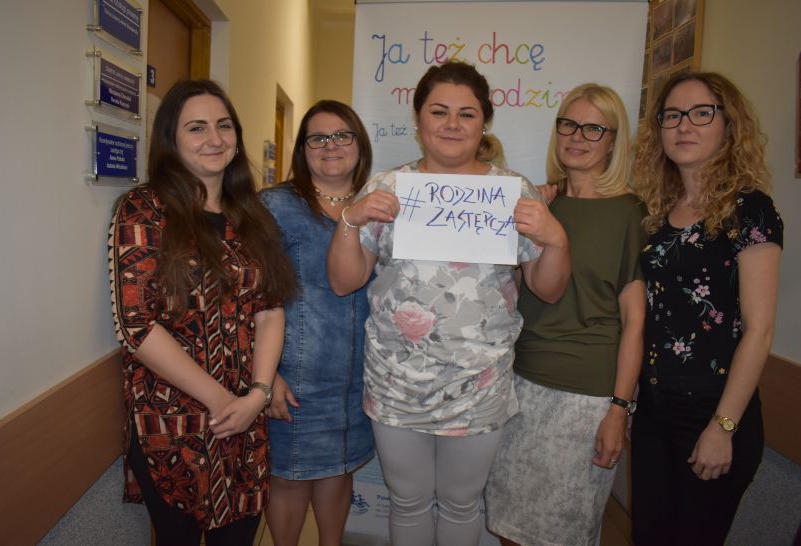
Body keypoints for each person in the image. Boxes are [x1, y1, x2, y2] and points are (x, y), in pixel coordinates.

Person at [327, 61, 571, 546]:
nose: (452, 124)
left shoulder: (513, 193)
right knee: (407, 500)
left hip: (479, 383)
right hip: (397, 381)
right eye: (439, 112)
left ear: (485, 123)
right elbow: (343, 281)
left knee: (463, 502)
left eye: (467, 113)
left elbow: (548, 289)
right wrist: (350, 221)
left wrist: (557, 239)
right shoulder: (386, 189)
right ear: (418, 119)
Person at [108, 79, 295, 546]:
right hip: (173, 423)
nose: (214, 138)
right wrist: (222, 401)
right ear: (171, 139)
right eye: (196, 128)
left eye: (224, 125)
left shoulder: (251, 215)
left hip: (246, 418)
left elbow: (270, 309)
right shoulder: (144, 210)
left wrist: (257, 393)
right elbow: (137, 326)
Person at [484, 83, 647, 546]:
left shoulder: (630, 213)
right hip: (519, 384)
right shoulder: (537, 203)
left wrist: (619, 409)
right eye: (569, 124)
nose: (577, 136)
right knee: (508, 525)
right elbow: (515, 292)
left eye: (594, 128)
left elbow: (635, 322)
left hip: (584, 398)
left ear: (613, 141)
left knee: (563, 533)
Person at [631, 71, 783, 545]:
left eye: (701, 113)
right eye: (672, 115)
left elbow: (759, 330)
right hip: (654, 412)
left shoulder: (750, 209)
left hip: (715, 413)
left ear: (728, 124)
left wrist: (723, 427)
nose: (684, 125)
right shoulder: (656, 213)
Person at [260, 100, 375, 546]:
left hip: (358, 380)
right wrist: (266, 375)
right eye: (318, 138)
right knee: (289, 479)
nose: (331, 145)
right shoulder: (274, 206)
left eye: (342, 135)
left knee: (338, 474)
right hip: (294, 378)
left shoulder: (377, 206)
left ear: (359, 144)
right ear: (302, 149)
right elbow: (249, 296)